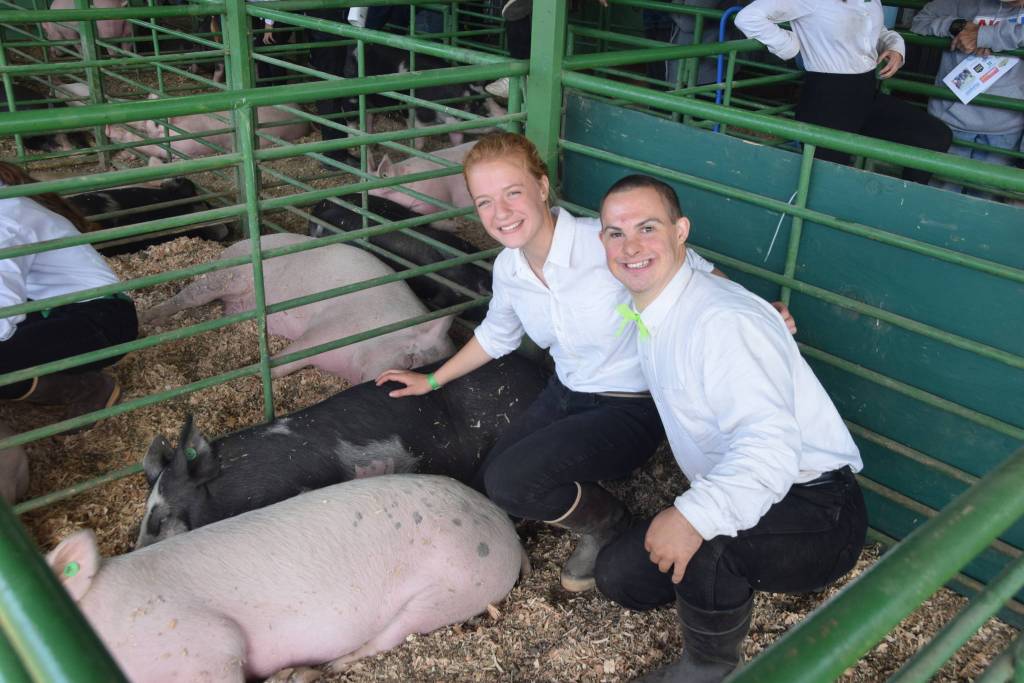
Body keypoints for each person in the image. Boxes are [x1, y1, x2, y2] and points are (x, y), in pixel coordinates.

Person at [375, 133, 795, 593]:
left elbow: (695, 270)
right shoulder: (510, 269)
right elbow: (497, 335)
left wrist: (758, 312)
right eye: (485, 202)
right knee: (487, 484)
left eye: (513, 193)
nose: (501, 213)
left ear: (540, 186)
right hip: (565, 391)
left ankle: (609, 524)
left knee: (512, 484)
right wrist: (432, 379)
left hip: (630, 406)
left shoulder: (609, 243)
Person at [594, 174, 867, 682]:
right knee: (620, 578)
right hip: (753, 485)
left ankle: (710, 667)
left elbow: (771, 449)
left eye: (647, 228)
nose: (630, 246)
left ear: (681, 232)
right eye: (615, 233)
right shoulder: (655, 305)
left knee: (706, 546)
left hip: (818, 508)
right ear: (602, 241)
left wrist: (694, 516)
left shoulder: (721, 321)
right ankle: (726, 582)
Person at [735, 0, 953, 184]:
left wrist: (895, 46)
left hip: (865, 96)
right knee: (826, 184)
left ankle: (905, 202)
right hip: (826, 102)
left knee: (934, 135)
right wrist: (790, 46)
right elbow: (748, 17)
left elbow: (878, 31)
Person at [0, 162, 138, 423]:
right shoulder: (10, 203)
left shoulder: (5, 221)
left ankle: (88, 388)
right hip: (63, 311)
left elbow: (3, 318)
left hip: (100, 321)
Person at [911, 0, 1024, 195]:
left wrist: (985, 35)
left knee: (983, 203)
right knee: (939, 197)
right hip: (951, 121)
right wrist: (959, 26)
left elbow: (989, 36)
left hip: (1005, 127)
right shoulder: (960, 2)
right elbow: (920, 21)